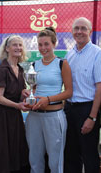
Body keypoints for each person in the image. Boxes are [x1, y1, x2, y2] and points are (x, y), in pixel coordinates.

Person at [64, 17, 101, 173]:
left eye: (83, 28)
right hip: (69, 109)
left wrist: (92, 117)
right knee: (70, 154)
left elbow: (100, 88)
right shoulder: (69, 55)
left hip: (87, 109)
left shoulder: (98, 54)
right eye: (76, 28)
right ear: (72, 32)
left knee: (89, 154)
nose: (79, 31)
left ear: (90, 31)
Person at [25, 27, 73, 173]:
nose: (43, 48)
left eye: (46, 44)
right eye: (40, 45)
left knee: (55, 161)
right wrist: (28, 94)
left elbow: (69, 92)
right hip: (34, 116)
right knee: (34, 159)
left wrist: (48, 99)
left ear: (54, 44)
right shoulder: (34, 65)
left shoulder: (61, 64)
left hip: (54, 116)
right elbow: (33, 90)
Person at [0, 35, 30, 173]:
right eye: (15, 45)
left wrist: (24, 94)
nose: (18, 48)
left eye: (20, 45)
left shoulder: (20, 69)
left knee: (13, 153)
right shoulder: (1, 69)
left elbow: (18, 95)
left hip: (14, 116)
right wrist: (18, 106)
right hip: (1, 117)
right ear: (7, 48)